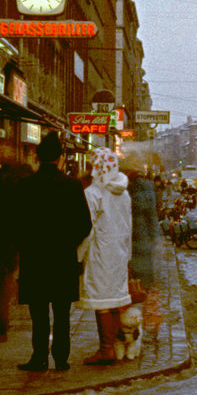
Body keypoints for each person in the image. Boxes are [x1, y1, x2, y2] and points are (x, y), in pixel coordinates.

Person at [13, 132, 92, 371]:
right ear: (60, 158)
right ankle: (61, 357)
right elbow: (85, 224)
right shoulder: (71, 186)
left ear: (38, 157)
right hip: (62, 258)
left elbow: (15, 222)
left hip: (35, 258)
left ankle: (38, 357)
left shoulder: (26, 186)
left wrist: (25, 244)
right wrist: (69, 242)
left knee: (38, 312)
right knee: (61, 311)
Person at [77, 147, 133, 366]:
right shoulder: (124, 192)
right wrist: (127, 253)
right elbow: (129, 225)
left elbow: (87, 226)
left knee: (102, 300)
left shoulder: (94, 193)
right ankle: (112, 345)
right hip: (119, 250)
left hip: (101, 251)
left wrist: (79, 254)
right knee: (115, 298)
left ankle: (106, 348)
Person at [0, 142, 32, 343]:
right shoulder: (21, 183)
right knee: (5, 282)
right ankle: (2, 326)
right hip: (12, 239)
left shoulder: (6, 181)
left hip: (8, 238)